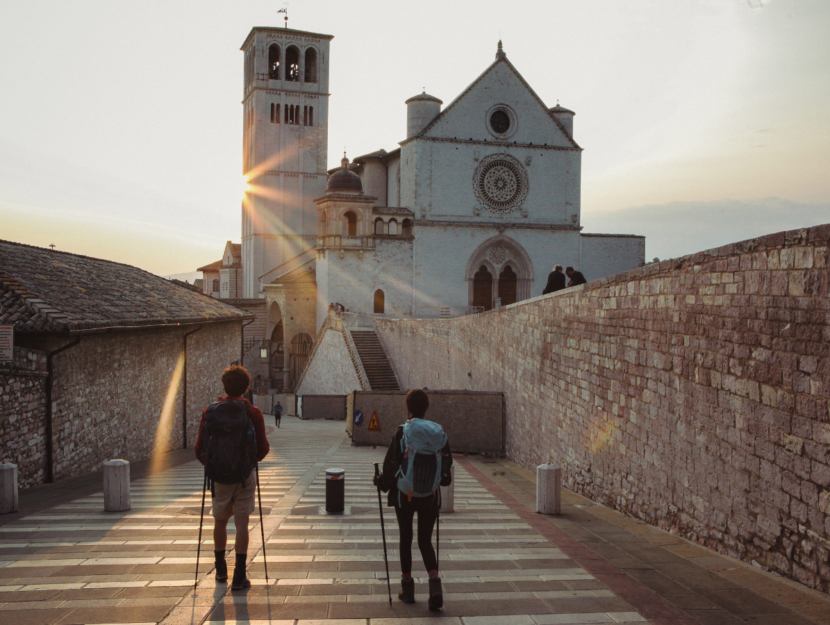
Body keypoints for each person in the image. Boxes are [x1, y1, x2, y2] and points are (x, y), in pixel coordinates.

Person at [373, 389, 453, 610]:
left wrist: (381, 482)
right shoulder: (438, 433)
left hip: (404, 495)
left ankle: (407, 588)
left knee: (406, 537)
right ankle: (435, 585)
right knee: (425, 540)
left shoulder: (403, 432)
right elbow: (446, 473)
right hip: (431, 496)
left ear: (407, 408)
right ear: (426, 408)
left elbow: (391, 466)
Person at [194, 365, 270, 590]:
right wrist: (249, 461)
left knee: (219, 521)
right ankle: (239, 575)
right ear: (246, 388)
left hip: (219, 478)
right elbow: (263, 448)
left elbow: (200, 449)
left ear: (224, 386)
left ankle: (220, 570)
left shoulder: (210, 411)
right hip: (245, 477)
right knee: (242, 524)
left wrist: (215, 466)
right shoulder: (253, 412)